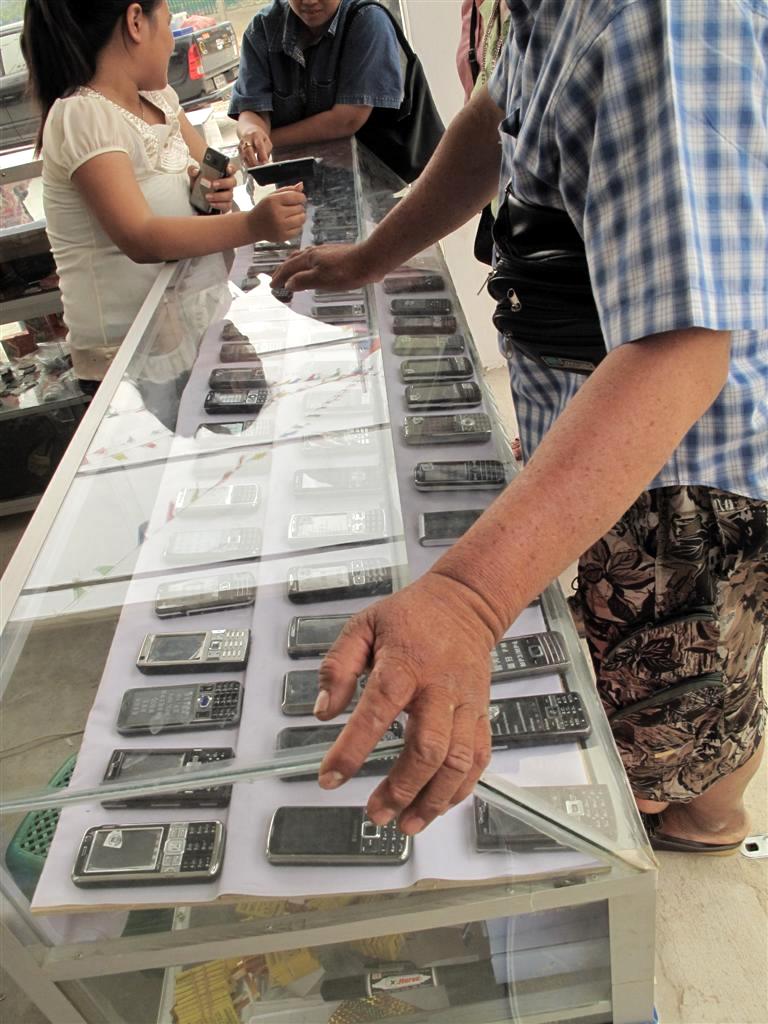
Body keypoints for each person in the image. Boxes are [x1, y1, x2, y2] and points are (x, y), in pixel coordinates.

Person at [272, 0, 768, 852]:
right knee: (665, 675)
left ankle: (708, 821)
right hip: (606, 433)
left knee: (679, 709)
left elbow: (681, 348)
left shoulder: (662, 16)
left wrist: (468, 600)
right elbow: (496, 116)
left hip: (683, 464)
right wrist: (370, 257)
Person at [23, 0, 306, 387]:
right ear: (135, 22)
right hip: (131, 362)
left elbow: (205, 173)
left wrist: (212, 190)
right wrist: (253, 225)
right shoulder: (83, 115)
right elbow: (141, 237)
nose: (172, 42)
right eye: (169, 24)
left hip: (187, 327)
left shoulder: (161, 100)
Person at [229, 0, 404, 168]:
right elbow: (253, 108)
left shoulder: (367, 19)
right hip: (293, 178)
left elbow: (347, 120)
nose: (309, 1)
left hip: (366, 175)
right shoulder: (263, 28)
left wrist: (269, 139)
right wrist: (252, 132)